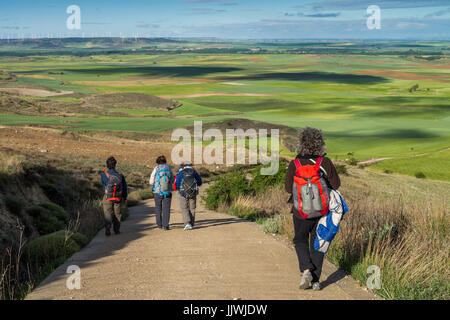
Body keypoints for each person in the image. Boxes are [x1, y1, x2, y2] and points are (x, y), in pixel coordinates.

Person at [285, 127, 341, 291]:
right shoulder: (325, 162)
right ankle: (316, 282)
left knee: (299, 240)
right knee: (317, 244)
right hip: (322, 210)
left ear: (301, 143)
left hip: (300, 211)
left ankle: (306, 270)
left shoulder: (295, 163)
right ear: (320, 143)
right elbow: (336, 185)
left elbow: (289, 188)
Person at [101, 156, 128, 236]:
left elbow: (104, 184)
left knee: (107, 213)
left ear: (107, 165)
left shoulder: (103, 175)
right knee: (117, 214)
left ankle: (108, 228)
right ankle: (116, 230)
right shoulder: (120, 175)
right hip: (118, 197)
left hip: (107, 197)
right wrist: (125, 198)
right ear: (115, 165)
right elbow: (124, 188)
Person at [174, 161, 203, 230]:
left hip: (183, 193)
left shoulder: (181, 172)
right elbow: (200, 182)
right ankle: (191, 224)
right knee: (192, 208)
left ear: (184, 165)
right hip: (193, 192)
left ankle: (187, 223)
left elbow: (177, 182)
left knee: (184, 208)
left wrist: (179, 189)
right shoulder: (194, 172)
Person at [149, 155, 174, 230]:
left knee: (158, 208)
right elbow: (172, 179)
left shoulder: (156, 168)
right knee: (166, 208)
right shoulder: (168, 168)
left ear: (157, 162)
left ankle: (159, 224)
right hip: (167, 191)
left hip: (157, 191)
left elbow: (151, 182)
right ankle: (165, 225)